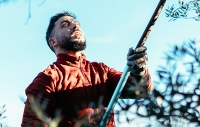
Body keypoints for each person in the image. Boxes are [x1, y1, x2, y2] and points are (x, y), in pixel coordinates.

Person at [21, 11, 152, 127]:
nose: (75, 25)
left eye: (76, 23)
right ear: (53, 42)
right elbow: (32, 123)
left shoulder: (102, 71)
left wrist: (139, 71)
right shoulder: (48, 78)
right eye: (65, 24)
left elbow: (139, 91)